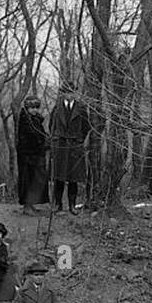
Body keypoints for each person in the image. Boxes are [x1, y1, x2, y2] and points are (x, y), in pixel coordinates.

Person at [50, 84, 91, 214]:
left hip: (74, 146)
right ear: (63, 93)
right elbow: (51, 125)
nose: (69, 95)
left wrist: (79, 140)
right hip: (60, 145)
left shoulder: (81, 108)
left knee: (73, 178)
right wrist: (56, 140)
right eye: (66, 92)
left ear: (75, 93)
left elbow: (86, 127)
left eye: (71, 92)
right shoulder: (57, 108)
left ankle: (72, 205)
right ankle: (58, 204)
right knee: (59, 177)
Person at [15, 94, 49, 213]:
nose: (34, 110)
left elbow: (41, 134)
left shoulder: (36, 119)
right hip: (27, 156)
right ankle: (27, 206)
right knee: (27, 179)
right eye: (32, 107)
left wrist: (46, 142)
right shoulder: (25, 120)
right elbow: (29, 137)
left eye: (36, 107)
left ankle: (32, 204)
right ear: (27, 108)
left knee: (37, 179)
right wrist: (41, 143)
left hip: (36, 155)